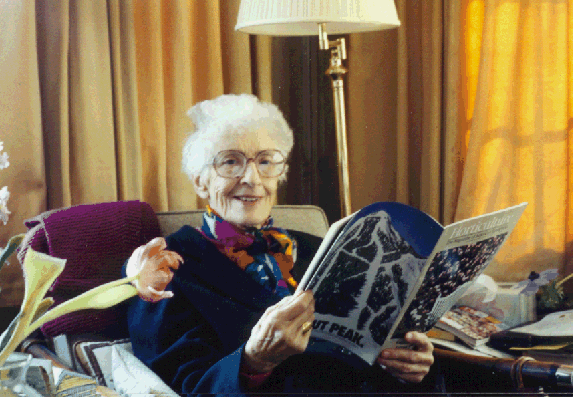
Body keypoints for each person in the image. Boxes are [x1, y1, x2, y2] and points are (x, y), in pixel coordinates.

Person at [124, 94, 442, 396]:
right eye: (231, 162)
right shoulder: (164, 270)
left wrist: (411, 362)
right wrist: (252, 362)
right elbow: (185, 386)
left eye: (266, 162)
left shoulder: (328, 249)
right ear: (200, 180)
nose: (252, 178)